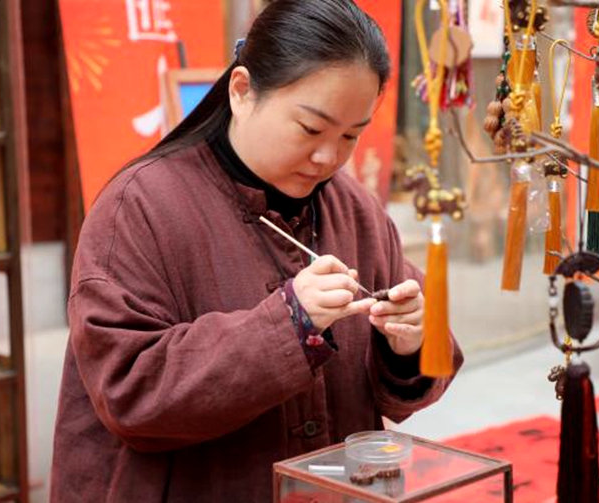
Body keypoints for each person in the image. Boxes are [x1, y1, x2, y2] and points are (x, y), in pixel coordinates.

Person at [50, 1, 463, 501]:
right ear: (243, 91)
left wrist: (409, 341)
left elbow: (411, 376)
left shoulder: (355, 208)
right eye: (311, 128)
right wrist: (290, 324)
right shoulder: (138, 208)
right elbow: (128, 393)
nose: (328, 157)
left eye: (351, 134)